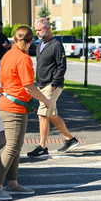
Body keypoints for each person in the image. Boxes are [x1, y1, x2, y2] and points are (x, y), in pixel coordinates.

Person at [0, 26, 52, 201]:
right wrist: (45, 101)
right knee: (12, 147)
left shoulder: (7, 54)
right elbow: (29, 86)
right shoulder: (23, 59)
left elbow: (2, 79)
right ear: (31, 42)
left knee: (15, 146)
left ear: (14, 39)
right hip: (14, 108)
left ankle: (13, 183)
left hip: (8, 104)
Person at [27, 18, 79, 158]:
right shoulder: (39, 45)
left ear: (48, 28)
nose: (37, 33)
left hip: (52, 86)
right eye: (36, 30)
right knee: (52, 115)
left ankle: (42, 147)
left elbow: (61, 66)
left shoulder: (56, 45)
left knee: (42, 115)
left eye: (40, 30)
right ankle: (70, 139)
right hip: (41, 85)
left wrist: (53, 84)